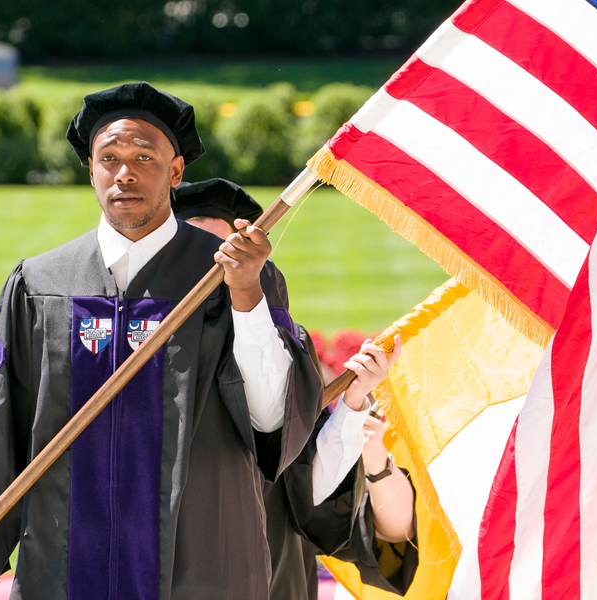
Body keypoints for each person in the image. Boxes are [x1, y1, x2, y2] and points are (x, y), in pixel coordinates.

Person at [0, 82, 395, 600]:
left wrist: (246, 295)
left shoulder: (233, 275)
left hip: (204, 569)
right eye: (109, 157)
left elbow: (274, 420)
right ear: (90, 169)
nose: (125, 172)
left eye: (144, 156)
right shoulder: (41, 284)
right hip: (66, 567)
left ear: (176, 170)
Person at [173, 178, 419, 598]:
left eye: (224, 255)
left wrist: (354, 404)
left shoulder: (282, 350)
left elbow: (310, 485)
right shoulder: (143, 350)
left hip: (269, 574)